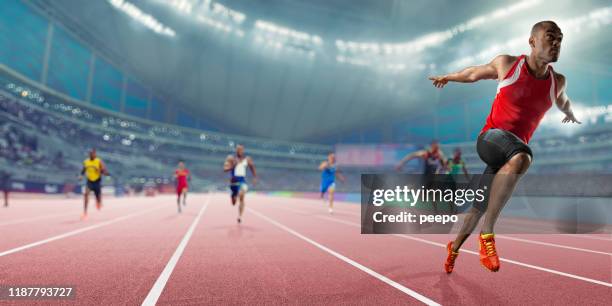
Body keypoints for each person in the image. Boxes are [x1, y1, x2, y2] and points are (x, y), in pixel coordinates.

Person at [429, 21, 580, 273]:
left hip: (508, 154)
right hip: (490, 139)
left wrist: (571, 114)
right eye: (550, 36)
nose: (556, 43)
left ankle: (452, 250)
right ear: (532, 42)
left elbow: (563, 102)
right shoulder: (508, 64)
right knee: (522, 157)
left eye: (560, 39)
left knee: (478, 207)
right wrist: (449, 77)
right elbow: (474, 73)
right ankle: (487, 236)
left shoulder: (558, 82)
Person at [223, 145, 257, 223]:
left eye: (241, 149)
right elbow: (225, 169)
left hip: (242, 180)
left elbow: (252, 167)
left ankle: (240, 216)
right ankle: (233, 195)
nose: (239, 151)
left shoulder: (247, 159)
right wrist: (233, 166)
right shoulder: (231, 158)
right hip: (233, 181)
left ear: (243, 150)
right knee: (234, 202)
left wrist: (254, 177)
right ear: (236, 150)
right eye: (238, 149)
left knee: (242, 195)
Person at [79, 148, 109, 220]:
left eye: (93, 153)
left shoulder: (98, 161)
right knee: (86, 194)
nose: (92, 155)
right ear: (89, 154)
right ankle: (85, 212)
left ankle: (98, 202)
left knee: (98, 198)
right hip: (89, 181)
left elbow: (105, 172)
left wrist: (100, 171)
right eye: (90, 153)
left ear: (95, 154)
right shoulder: (86, 162)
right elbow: (83, 170)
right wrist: (81, 176)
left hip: (97, 182)